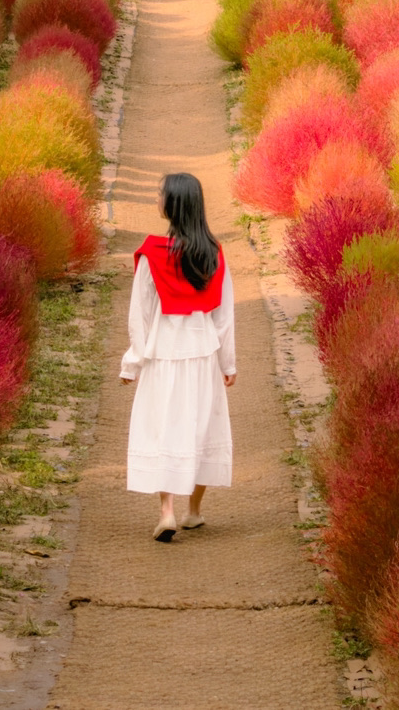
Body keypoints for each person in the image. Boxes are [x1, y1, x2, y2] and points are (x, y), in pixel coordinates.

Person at [121, 172, 236, 541]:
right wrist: (227, 363)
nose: (157, 198)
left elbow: (139, 314)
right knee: (202, 425)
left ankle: (167, 511)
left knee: (164, 426)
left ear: (173, 205)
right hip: (203, 352)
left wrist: (133, 361)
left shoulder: (153, 254)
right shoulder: (214, 253)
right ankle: (195, 511)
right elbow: (224, 315)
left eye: (160, 194)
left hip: (163, 352)